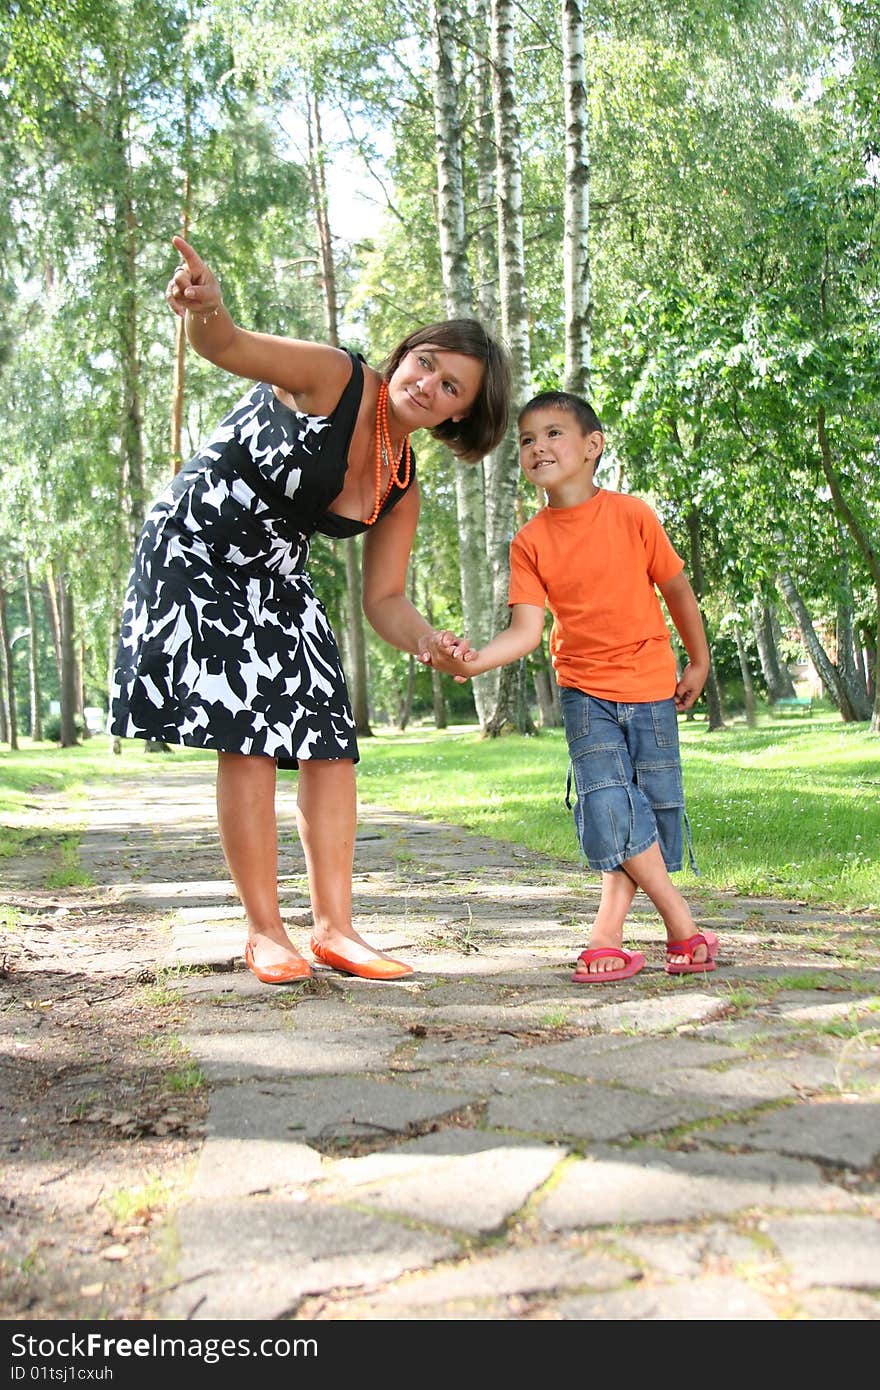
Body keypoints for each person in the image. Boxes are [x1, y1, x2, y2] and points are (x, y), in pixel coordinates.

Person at [109, 235, 511, 985]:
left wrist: (427, 640)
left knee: (330, 734)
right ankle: (267, 932)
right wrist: (207, 305)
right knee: (252, 730)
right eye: (427, 361)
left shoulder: (400, 482)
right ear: (407, 353)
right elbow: (226, 345)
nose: (428, 384)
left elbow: (384, 600)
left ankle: (337, 930)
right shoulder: (335, 377)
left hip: (273, 570)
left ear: (459, 418)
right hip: (197, 550)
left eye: (451, 387)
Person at [428, 390, 718, 983]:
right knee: (611, 805)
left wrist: (699, 662)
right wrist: (474, 662)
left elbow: (677, 592)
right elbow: (527, 631)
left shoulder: (633, 515)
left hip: (650, 686)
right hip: (585, 693)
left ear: (592, 447)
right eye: (527, 440)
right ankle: (682, 926)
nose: (538, 447)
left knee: (651, 811)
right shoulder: (529, 542)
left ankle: (608, 935)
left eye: (553, 434)